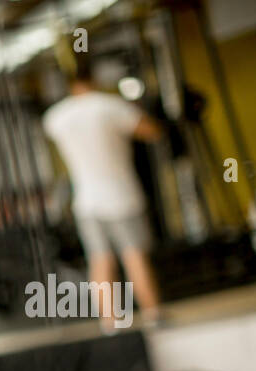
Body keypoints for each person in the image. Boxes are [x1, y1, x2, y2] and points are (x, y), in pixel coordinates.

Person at [42, 57, 165, 330]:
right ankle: (154, 314)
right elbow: (152, 132)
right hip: (121, 196)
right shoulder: (111, 107)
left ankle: (110, 323)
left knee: (100, 259)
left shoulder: (56, 117)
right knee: (134, 255)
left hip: (86, 201)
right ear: (94, 79)